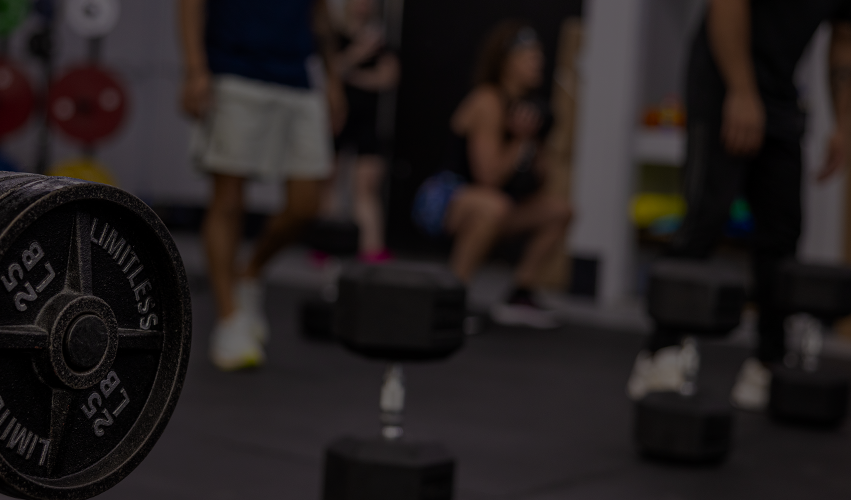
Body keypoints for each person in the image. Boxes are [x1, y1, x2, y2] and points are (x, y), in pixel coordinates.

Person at [624, 0, 851, 411]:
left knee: (783, 231)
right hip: (722, 79)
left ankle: (768, 359)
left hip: (780, 95)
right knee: (705, 217)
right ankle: (660, 351)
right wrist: (741, 91)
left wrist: (843, 124)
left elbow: (845, 37)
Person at [177, 0, 343, 371]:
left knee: (307, 204)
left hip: (298, 78)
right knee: (228, 201)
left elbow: (320, 15)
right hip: (234, 71)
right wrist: (194, 69)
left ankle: (249, 272)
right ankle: (229, 320)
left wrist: (332, 78)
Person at [411, 20, 572, 329]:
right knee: (494, 206)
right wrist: (520, 141)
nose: (538, 63)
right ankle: (451, 300)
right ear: (506, 62)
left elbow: (542, 180)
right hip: (443, 200)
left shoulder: (528, 109)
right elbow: (488, 176)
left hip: (496, 203)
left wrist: (535, 142)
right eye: (529, 57)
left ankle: (520, 294)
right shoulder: (487, 101)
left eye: (539, 56)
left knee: (559, 210)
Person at [323, 0, 398, 263]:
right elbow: (330, 69)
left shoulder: (380, 39)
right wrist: (358, 54)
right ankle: (327, 243)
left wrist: (351, 75)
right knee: (329, 183)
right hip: (337, 117)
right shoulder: (335, 36)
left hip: (367, 121)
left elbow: (387, 77)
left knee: (366, 186)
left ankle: (371, 248)